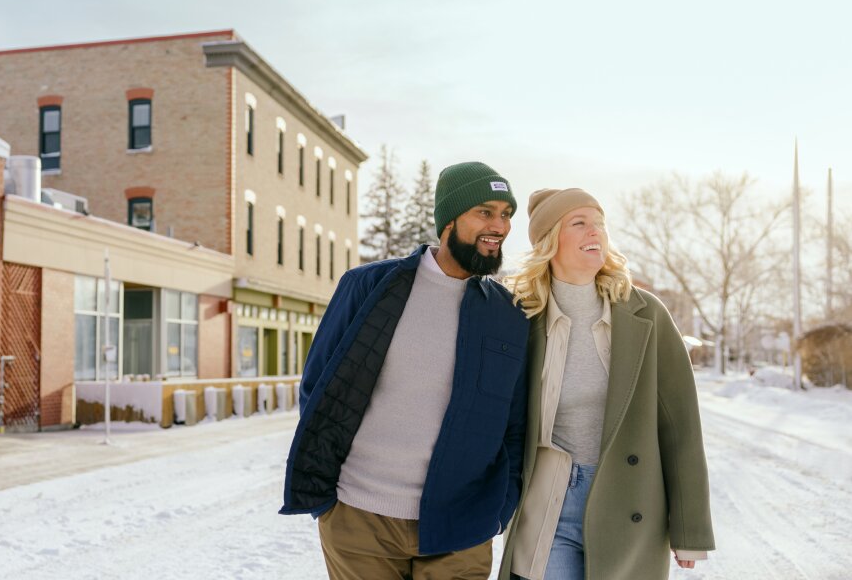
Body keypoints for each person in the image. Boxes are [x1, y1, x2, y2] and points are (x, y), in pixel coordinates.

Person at [281, 161, 530, 580]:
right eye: (485, 212)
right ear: (449, 219)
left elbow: (515, 423)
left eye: (506, 214)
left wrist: (499, 510)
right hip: (359, 518)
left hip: (461, 525)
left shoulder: (508, 314)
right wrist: (331, 503)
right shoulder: (368, 286)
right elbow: (319, 388)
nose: (500, 226)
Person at [499, 188, 715, 580]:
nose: (594, 232)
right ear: (549, 241)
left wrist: (690, 528)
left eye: (599, 224)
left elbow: (681, 426)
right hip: (549, 502)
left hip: (628, 501)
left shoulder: (647, 315)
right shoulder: (520, 317)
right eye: (579, 223)